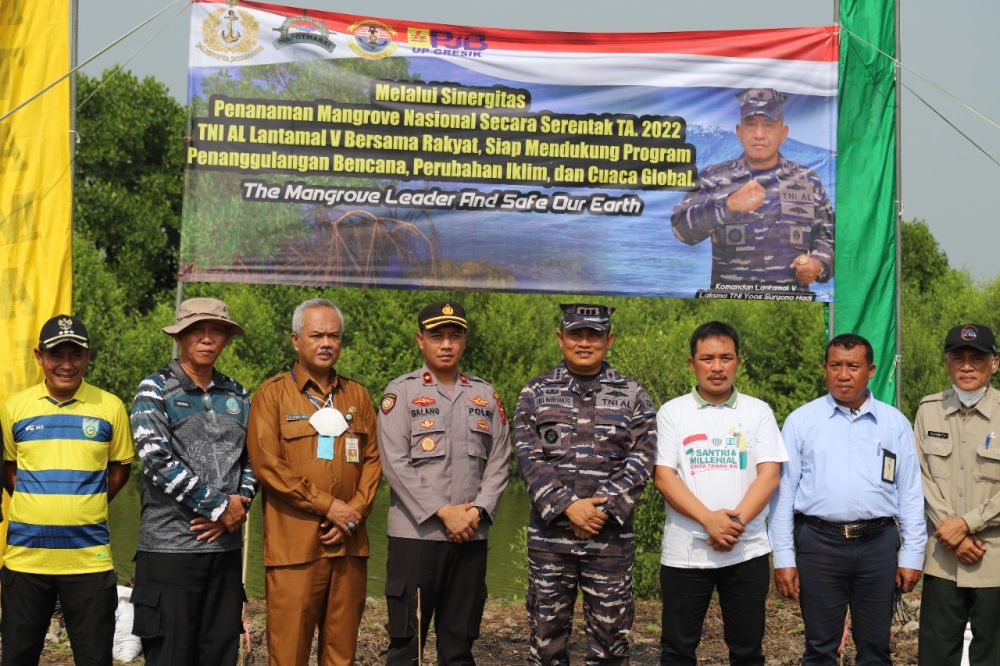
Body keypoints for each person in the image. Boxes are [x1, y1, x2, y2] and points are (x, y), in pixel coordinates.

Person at [768, 333, 926, 665]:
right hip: (819, 545)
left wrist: (912, 553)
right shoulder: (802, 421)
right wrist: (784, 557)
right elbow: (783, 495)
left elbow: (910, 492)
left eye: (853, 366)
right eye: (836, 365)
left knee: (875, 649)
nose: (843, 375)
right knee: (820, 648)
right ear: (824, 368)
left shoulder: (894, 423)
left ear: (870, 370)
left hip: (878, 544)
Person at [514, 303, 657, 665]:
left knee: (611, 643)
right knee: (546, 642)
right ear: (560, 338)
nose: (584, 342)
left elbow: (643, 457)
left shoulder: (633, 395)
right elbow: (527, 456)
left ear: (609, 339)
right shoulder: (535, 392)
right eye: (576, 333)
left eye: (593, 335)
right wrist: (568, 507)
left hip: (609, 540)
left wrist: (601, 509)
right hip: (551, 541)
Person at [246, 298, 381, 666]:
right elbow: (267, 466)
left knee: (341, 656)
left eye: (334, 336)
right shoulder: (271, 395)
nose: (326, 343)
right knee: (288, 655)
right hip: (295, 552)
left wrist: (352, 514)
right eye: (317, 334)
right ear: (295, 340)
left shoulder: (358, 395)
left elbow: (373, 462)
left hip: (349, 546)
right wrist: (329, 507)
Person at [377, 301, 510, 664]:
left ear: (465, 340)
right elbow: (395, 463)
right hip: (416, 539)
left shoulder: (484, 395)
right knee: (407, 647)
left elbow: (500, 460)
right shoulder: (400, 393)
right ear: (421, 340)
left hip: (471, 535)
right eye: (437, 336)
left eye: (455, 335)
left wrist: (478, 511)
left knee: (459, 648)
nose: (446, 344)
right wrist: (443, 512)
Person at [129, 297, 257, 665]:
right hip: (169, 551)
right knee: (170, 655)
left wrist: (239, 505)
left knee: (218, 653)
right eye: (195, 331)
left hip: (224, 553)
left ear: (226, 339)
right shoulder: (153, 389)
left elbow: (253, 459)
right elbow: (155, 460)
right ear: (181, 338)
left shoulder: (238, 393)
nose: (206, 339)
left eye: (215, 331)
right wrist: (219, 507)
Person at [0, 315, 135, 666]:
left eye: (75, 354)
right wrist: (40, 502)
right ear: (39, 357)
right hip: (26, 560)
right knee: (17, 656)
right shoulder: (14, 409)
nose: (65, 364)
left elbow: (120, 468)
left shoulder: (110, 407)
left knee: (93, 658)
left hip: (88, 561)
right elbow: (10, 467)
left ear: (87, 356)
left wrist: (84, 502)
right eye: (56, 355)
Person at [654, 321, 787, 665]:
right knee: (677, 651)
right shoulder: (672, 412)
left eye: (725, 358)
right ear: (692, 363)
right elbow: (664, 477)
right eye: (707, 358)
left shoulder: (758, 411)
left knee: (746, 651)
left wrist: (733, 523)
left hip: (746, 551)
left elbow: (770, 475)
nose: (716, 367)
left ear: (738, 361)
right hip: (686, 553)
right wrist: (709, 520)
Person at [671, 88, 835, 290]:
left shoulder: (808, 180)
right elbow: (681, 229)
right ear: (739, 132)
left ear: (783, 133)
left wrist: (817, 265)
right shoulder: (714, 178)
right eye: (751, 125)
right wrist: (728, 205)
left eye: (768, 125)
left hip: (790, 301)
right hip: (729, 301)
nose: (759, 134)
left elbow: (829, 238)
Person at [913, 323, 1000, 665]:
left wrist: (965, 524)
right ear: (947, 362)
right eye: (958, 357)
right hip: (943, 560)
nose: (967, 366)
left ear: (995, 363)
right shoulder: (928, 410)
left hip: (994, 559)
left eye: (977, 358)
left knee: (992, 656)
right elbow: (919, 478)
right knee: (936, 654)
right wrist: (953, 534)